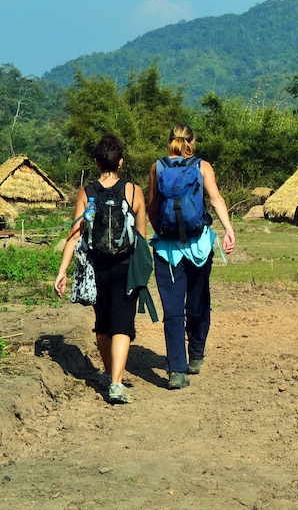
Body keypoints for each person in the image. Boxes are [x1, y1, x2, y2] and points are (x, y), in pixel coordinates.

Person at [54, 134, 146, 404]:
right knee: (123, 325)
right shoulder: (133, 191)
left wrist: (62, 271)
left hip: (96, 268)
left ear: (95, 162)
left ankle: (108, 373)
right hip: (125, 267)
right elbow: (140, 236)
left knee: (103, 324)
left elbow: (74, 236)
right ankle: (116, 383)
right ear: (121, 162)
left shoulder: (86, 192)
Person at [147, 123, 235, 390]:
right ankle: (195, 355)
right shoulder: (202, 166)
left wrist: (161, 231)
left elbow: (152, 206)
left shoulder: (157, 167)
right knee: (198, 301)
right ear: (192, 143)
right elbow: (216, 198)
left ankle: (176, 371)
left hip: (167, 250)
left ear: (170, 142)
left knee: (172, 310)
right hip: (198, 247)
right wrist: (229, 229)